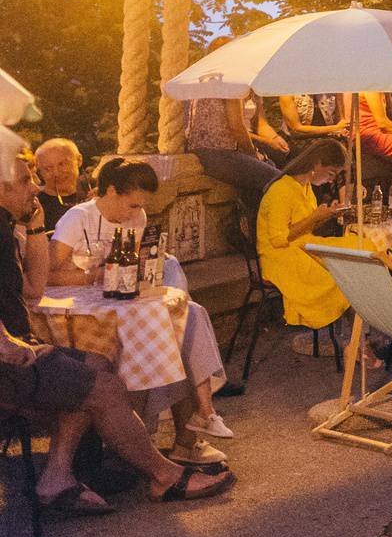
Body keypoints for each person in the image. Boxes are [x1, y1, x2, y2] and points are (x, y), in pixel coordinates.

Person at [0, 131, 234, 513]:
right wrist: (4, 339)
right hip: (10, 360)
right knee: (101, 385)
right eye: (27, 180)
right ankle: (164, 475)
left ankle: (58, 475)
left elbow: (33, 289)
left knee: (94, 363)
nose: (37, 187)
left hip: (24, 346)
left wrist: (34, 226)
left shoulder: (8, 226)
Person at [48, 158, 235, 462]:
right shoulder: (77, 218)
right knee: (178, 325)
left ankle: (196, 424)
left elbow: (133, 269)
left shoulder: (137, 218)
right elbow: (46, 276)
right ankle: (190, 431)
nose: (137, 212)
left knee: (191, 315)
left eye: (141, 206)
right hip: (86, 309)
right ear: (110, 191)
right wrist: (90, 276)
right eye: (132, 205)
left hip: (124, 301)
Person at [255, 139, 372, 330]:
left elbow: (305, 227)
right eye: (331, 173)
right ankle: (359, 345)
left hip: (301, 245)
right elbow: (278, 239)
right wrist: (314, 217)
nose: (332, 180)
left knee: (359, 249)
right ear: (316, 164)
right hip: (279, 256)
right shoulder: (281, 190)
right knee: (341, 278)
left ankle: (362, 337)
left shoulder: (306, 187)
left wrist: (327, 215)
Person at [185, 58, 288, 203]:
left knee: (267, 168)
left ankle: (253, 219)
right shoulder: (230, 82)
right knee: (279, 181)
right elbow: (236, 126)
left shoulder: (202, 81)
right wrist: (253, 154)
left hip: (201, 150)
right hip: (219, 155)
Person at [33, 136, 88, 227]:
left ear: (79, 160)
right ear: (40, 172)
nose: (56, 173)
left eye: (62, 164)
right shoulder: (34, 207)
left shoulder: (97, 192)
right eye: (48, 169)